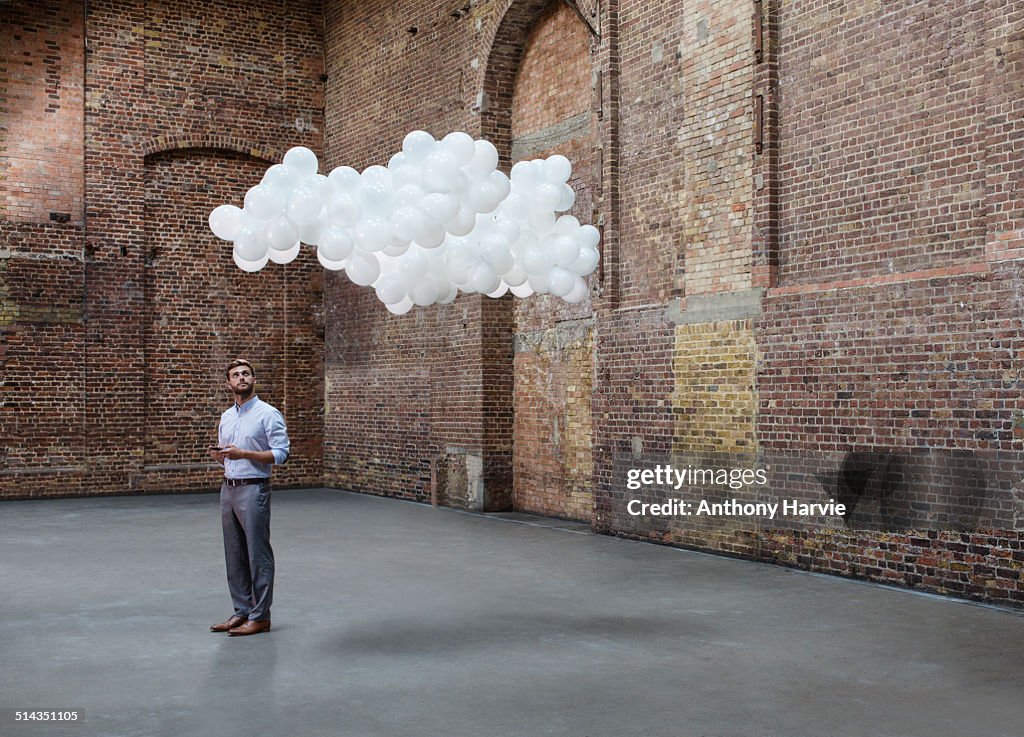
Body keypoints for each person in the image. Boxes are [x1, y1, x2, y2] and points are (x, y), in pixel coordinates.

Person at [208, 359, 290, 637]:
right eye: (235, 375)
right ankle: (241, 611)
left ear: (254, 379)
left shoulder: (269, 414)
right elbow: (227, 456)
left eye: (246, 373)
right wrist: (220, 458)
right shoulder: (226, 417)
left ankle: (260, 616)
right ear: (228, 383)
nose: (241, 378)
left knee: (257, 554)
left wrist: (245, 454)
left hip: (254, 488)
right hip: (228, 488)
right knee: (234, 554)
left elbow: (281, 454)